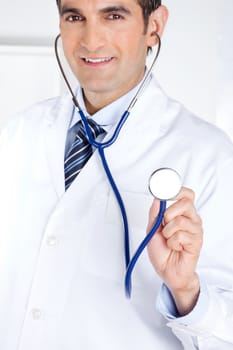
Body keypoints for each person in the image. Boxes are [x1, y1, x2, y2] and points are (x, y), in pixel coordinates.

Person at [0, 0, 233, 349]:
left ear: (154, 26)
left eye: (113, 15)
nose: (90, 41)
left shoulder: (208, 154)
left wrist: (186, 291)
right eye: (75, 17)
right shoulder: (18, 133)